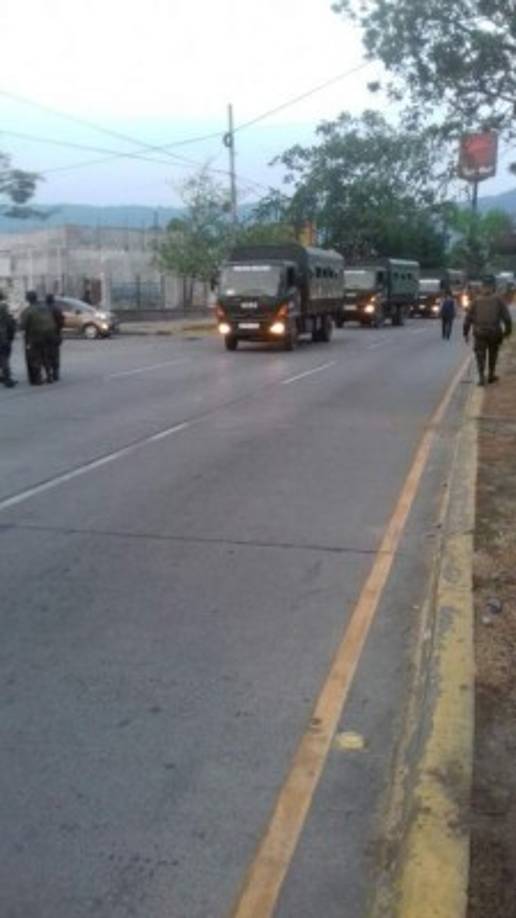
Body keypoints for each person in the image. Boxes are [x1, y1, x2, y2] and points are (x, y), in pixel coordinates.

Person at [464, 275, 513, 386]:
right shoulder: (499, 299)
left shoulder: (476, 300)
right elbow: (507, 318)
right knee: (493, 353)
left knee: (480, 355)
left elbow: (468, 318)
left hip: (480, 332)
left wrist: (465, 332)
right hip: (494, 332)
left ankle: (481, 377)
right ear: (493, 286)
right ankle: (491, 375)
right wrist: (507, 332)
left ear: (482, 286)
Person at [20, 290, 56, 385]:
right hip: (47, 336)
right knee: (45, 356)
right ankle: (49, 376)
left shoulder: (28, 311)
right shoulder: (45, 308)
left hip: (33, 338)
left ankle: (37, 379)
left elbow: (22, 326)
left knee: (34, 358)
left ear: (28, 299)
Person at [0, 291, 17, 388]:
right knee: (4, 357)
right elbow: (9, 322)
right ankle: (7, 379)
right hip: (2, 336)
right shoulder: (3, 307)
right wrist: (11, 335)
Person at [46, 293, 64, 381]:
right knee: (55, 354)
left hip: (45, 335)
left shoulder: (43, 309)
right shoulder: (57, 309)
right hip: (55, 333)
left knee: (46, 354)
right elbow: (61, 322)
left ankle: (48, 373)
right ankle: (55, 373)